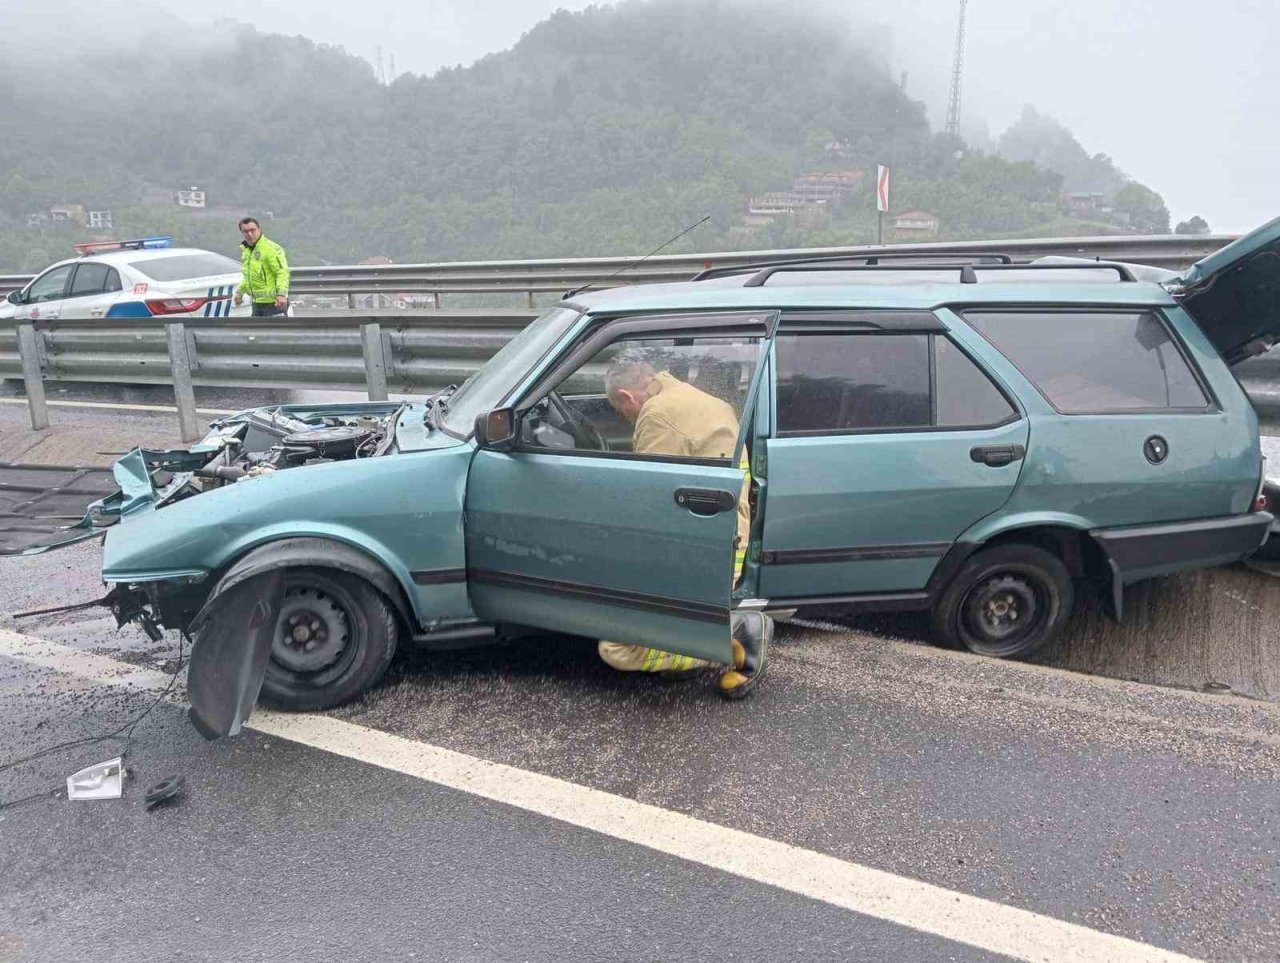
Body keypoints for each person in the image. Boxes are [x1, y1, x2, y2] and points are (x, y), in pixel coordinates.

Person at [598, 358, 772, 699]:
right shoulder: (695, 396)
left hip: (700, 544)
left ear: (626, 396)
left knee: (615, 648)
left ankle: (739, 633)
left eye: (621, 412)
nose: (626, 419)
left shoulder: (657, 414)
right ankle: (686, 654)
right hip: (726, 532)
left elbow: (648, 499)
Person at [233, 217, 290, 317]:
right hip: (257, 303)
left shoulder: (271, 248)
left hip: (274, 303)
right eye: (245, 231)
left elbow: (282, 272)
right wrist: (239, 292)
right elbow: (248, 276)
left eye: (252, 230)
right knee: (255, 328)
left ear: (259, 229)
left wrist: (281, 295)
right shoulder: (247, 251)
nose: (250, 234)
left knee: (274, 328)